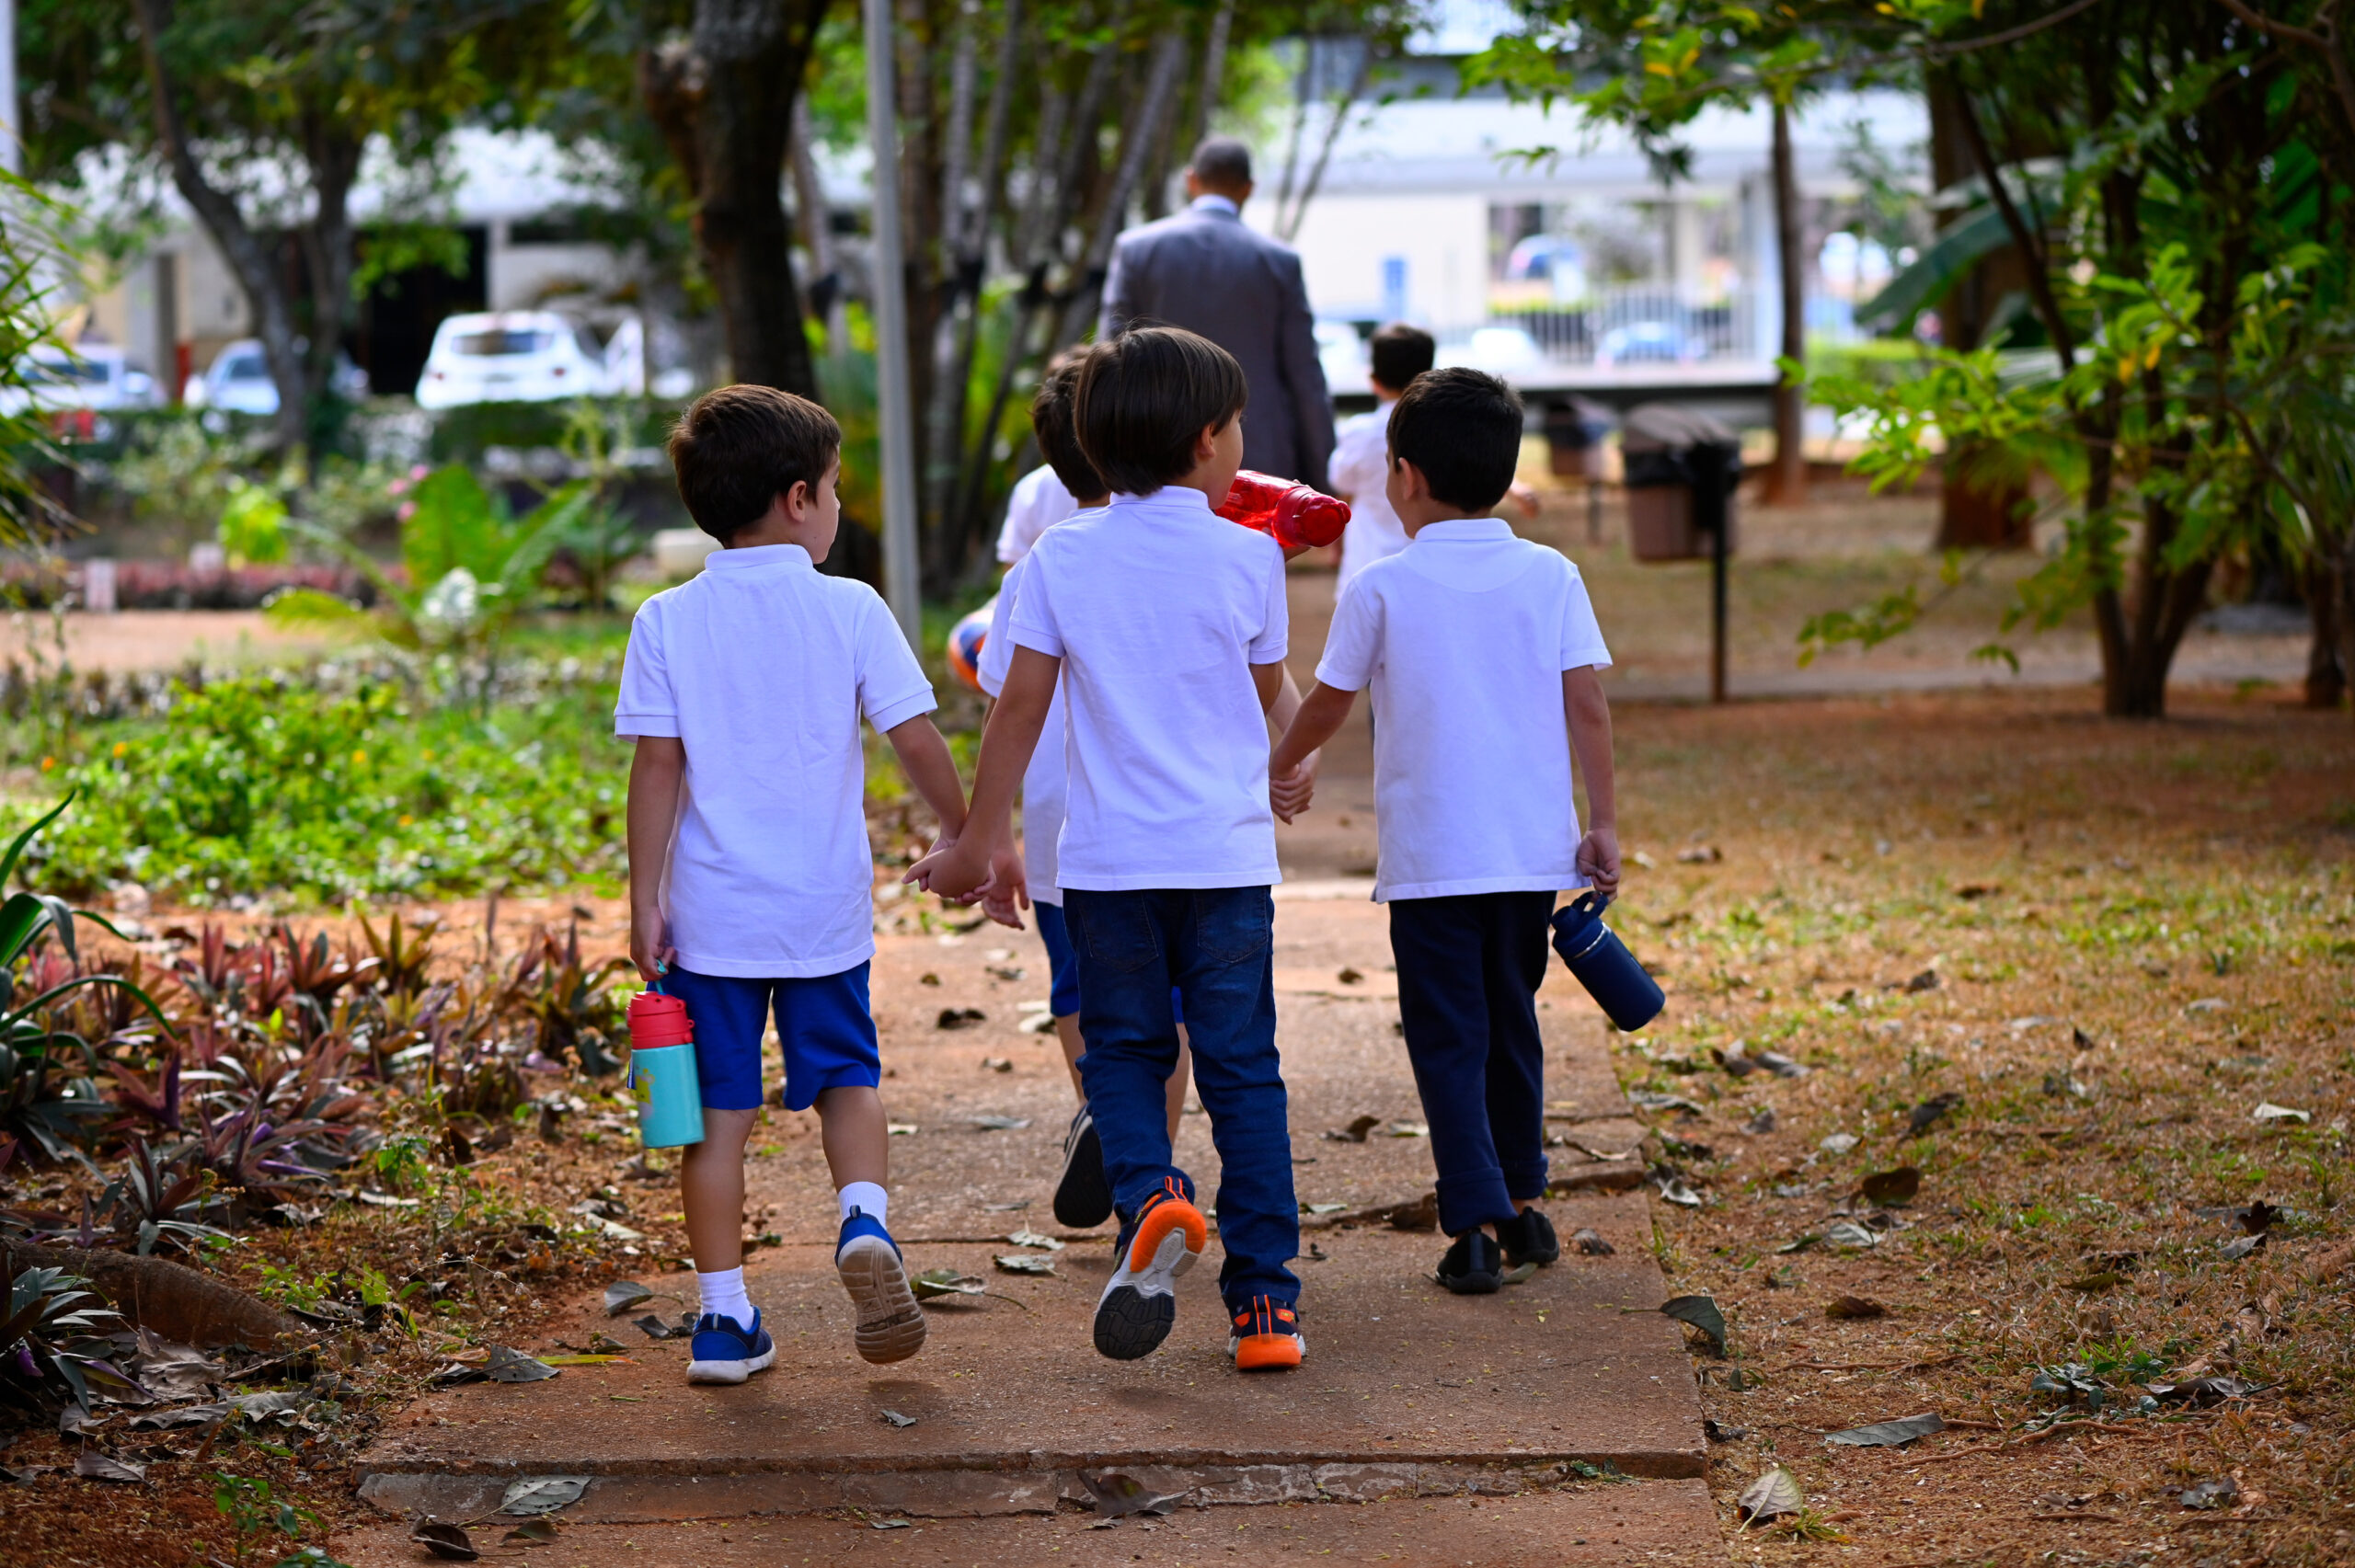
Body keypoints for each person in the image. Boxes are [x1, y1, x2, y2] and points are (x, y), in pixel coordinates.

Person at [915, 327, 1308, 1374]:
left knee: (1124, 1051)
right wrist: (1296, 759)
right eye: (1234, 425)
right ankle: (1266, 1303)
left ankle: (1153, 1196)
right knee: (1243, 1072)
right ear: (1206, 440)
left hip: (1106, 867)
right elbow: (1272, 690)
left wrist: (980, 836)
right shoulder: (1249, 553)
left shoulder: (1060, 555)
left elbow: (1015, 708)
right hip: (1225, 863)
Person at [618, 384, 970, 1381]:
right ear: (800, 496)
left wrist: (645, 898)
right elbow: (914, 735)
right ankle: (865, 1220)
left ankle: (723, 1319)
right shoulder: (850, 607)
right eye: (838, 488)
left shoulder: (667, 617)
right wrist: (961, 829)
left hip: (707, 921)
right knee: (846, 1078)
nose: (840, 506)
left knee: (713, 1118)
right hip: (822, 910)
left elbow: (657, 767)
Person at [1269, 367, 1621, 1295]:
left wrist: (1280, 764)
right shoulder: (1550, 574)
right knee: (1511, 1023)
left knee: (1446, 1033)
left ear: (1406, 476)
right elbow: (1587, 704)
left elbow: (1330, 703)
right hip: (1526, 856)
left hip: (1431, 865)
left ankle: (1473, 1217)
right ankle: (1522, 1198)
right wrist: (1605, 822)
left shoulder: (1384, 588)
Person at [975, 358, 1192, 1228]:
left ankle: (1103, 1106)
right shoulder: (1191, 552)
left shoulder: (1035, 568)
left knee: (1079, 990)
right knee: (1168, 1011)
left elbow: (1004, 704)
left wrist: (992, 836)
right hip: (1166, 826)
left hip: (1067, 828)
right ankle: (1153, 1171)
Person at [1098, 138, 1335, 488]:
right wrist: (1321, 475)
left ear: (1191, 180)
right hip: (1260, 458)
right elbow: (1304, 374)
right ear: (1248, 188)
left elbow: (1109, 357)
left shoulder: (1137, 249)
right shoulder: (1277, 260)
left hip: (1155, 453)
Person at [1327, 324, 1433, 599]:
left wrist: (1335, 545)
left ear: (1373, 378)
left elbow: (1343, 491)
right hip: (1425, 568)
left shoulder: (1359, 432)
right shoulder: (1438, 430)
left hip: (1366, 563)